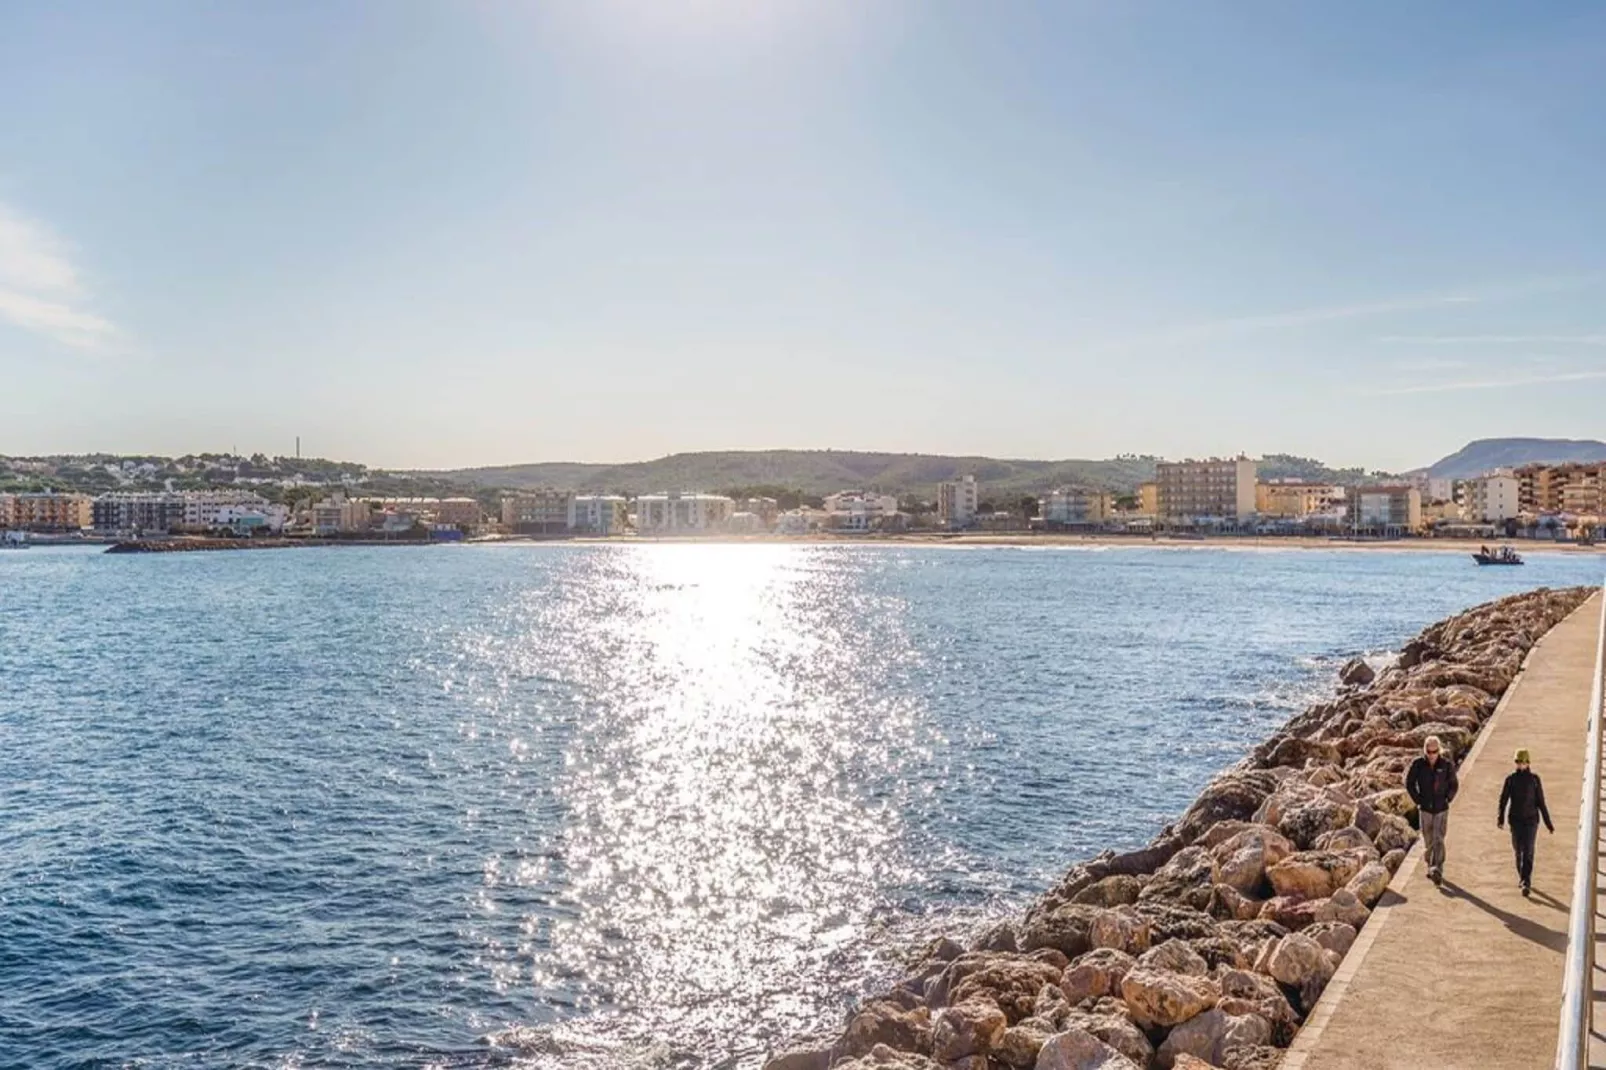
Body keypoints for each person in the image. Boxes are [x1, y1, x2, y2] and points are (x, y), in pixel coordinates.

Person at [1497, 748, 1554, 896]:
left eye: (1523, 762)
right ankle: (1522, 876)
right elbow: (1503, 800)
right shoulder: (1510, 780)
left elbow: (1541, 802)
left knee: (1528, 850)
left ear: (1528, 763)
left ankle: (1525, 881)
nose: (1520, 764)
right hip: (1515, 820)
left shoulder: (1535, 780)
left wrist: (1548, 823)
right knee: (1518, 850)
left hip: (1531, 820)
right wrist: (1500, 817)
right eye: (1518, 762)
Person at [1406, 735, 1459, 884]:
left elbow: (1454, 784)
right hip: (1425, 809)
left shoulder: (1446, 765)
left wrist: (1448, 798)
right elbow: (1409, 783)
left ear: (1439, 750)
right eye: (1429, 752)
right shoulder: (1418, 764)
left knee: (1439, 838)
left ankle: (1438, 868)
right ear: (1425, 751)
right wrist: (1418, 800)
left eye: (1434, 751)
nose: (1431, 755)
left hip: (1441, 808)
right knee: (1428, 839)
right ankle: (1430, 865)